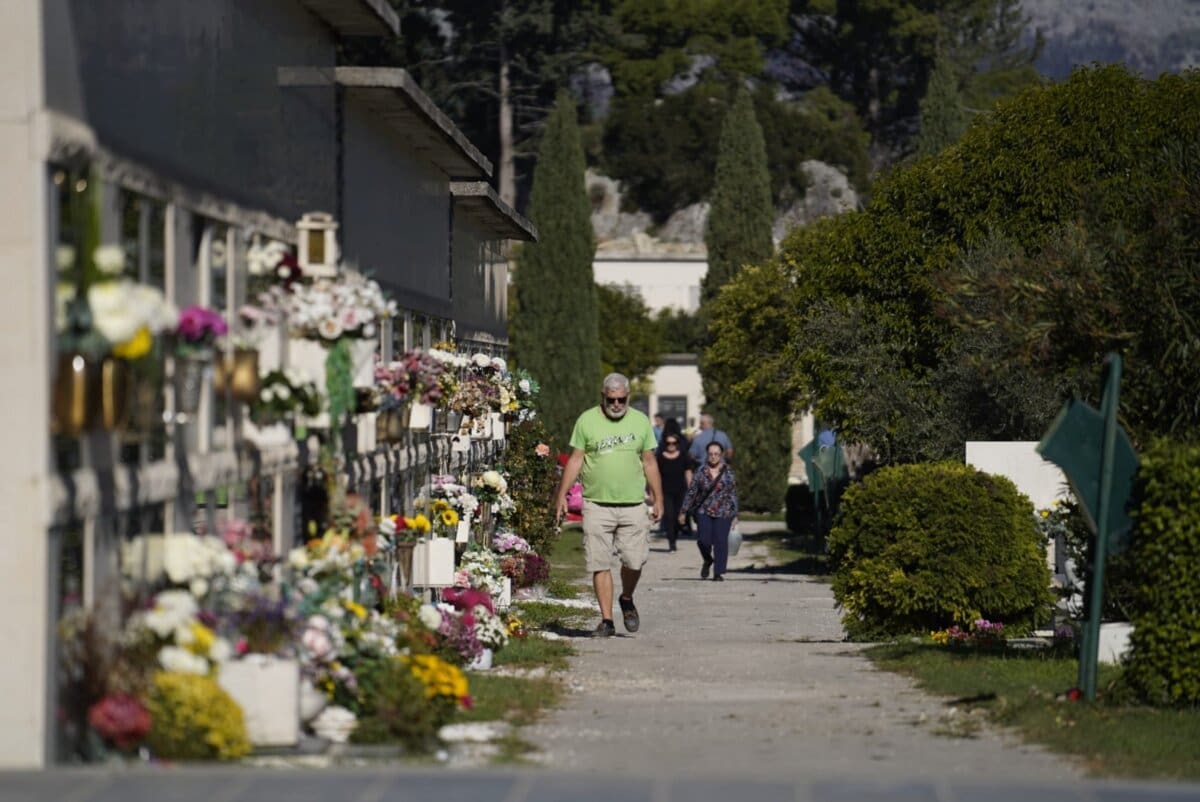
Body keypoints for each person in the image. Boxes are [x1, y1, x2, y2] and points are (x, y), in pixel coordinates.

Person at [555, 373, 663, 637]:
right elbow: (576, 459)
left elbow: (649, 461)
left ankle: (626, 598)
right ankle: (607, 620)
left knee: (634, 561)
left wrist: (658, 498)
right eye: (611, 399)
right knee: (599, 562)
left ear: (628, 397)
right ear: (603, 397)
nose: (616, 404)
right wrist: (561, 494)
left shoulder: (639, 422)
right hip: (596, 504)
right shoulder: (587, 420)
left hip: (633, 504)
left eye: (621, 399)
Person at [678, 441, 739, 581]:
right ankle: (707, 559)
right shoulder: (700, 471)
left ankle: (719, 572)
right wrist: (683, 511)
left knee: (721, 541)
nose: (713, 457)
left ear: (721, 455)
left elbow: (733, 493)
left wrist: (735, 514)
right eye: (710, 454)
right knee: (703, 540)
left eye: (716, 454)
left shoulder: (728, 472)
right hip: (703, 510)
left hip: (724, 511)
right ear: (707, 455)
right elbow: (692, 492)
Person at [655, 428, 691, 552]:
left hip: (681, 491)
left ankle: (675, 535)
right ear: (665, 444)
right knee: (669, 516)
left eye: (674, 443)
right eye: (668, 443)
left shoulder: (683, 456)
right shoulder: (660, 458)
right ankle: (672, 543)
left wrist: (691, 489)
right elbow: (656, 475)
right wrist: (653, 491)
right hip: (665, 491)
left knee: (678, 517)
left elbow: (688, 472)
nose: (671, 446)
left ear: (677, 444)